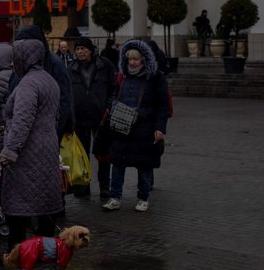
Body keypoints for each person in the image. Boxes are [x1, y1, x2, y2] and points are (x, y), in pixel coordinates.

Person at [0, 39, 62, 252]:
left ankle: (16, 253)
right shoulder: (49, 80)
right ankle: (47, 251)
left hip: (27, 152)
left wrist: (9, 151)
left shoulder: (28, 84)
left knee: (18, 206)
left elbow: (22, 121)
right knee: (45, 202)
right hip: (48, 146)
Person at [102, 40, 169, 213]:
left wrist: (159, 128)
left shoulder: (156, 78)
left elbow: (162, 105)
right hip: (121, 126)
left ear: (144, 59)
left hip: (144, 128)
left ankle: (143, 198)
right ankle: (115, 197)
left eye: (136, 59)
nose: (132, 62)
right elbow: (114, 94)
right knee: (117, 163)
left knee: (144, 165)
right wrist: (113, 106)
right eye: (129, 59)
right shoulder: (122, 76)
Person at [68, 37, 118, 199]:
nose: (80, 52)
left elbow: (114, 89)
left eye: (83, 49)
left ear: (91, 50)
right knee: (81, 153)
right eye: (77, 49)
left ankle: (104, 186)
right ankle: (83, 184)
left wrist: (109, 106)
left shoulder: (105, 65)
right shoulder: (71, 68)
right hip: (80, 117)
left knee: (103, 152)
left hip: (101, 116)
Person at [11, 25, 74, 140]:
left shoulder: (55, 64)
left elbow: (64, 100)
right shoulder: (19, 66)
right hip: (24, 133)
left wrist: (54, 131)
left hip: (48, 134)